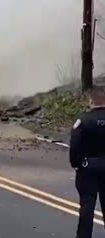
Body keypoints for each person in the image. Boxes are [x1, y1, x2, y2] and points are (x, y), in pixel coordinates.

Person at [70, 88, 105, 238]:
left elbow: (75, 145)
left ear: (91, 101)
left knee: (87, 207)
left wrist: (76, 164)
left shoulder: (83, 120)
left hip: (88, 169)